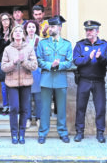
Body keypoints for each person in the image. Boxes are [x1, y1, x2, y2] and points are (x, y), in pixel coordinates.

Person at [36, 15, 73, 144]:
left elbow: (69, 62)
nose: (50, 29)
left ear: (59, 27)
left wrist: (59, 65)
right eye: (49, 26)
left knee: (61, 108)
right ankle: (42, 133)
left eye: (52, 26)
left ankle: (62, 132)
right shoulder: (42, 43)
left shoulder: (67, 44)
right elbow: (39, 60)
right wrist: (49, 65)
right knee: (45, 108)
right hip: (46, 79)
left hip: (61, 79)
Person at [73, 20, 107, 143]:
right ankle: (79, 132)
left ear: (97, 31)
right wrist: (89, 57)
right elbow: (76, 61)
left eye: (91, 30)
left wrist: (100, 58)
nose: (88, 32)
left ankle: (100, 133)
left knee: (100, 108)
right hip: (84, 80)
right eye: (87, 30)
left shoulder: (104, 45)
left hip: (99, 81)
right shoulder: (80, 45)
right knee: (80, 108)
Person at [1, 25, 38, 144]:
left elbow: (34, 66)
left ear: (23, 35)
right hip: (11, 83)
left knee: (24, 109)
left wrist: (23, 61)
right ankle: (14, 134)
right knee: (14, 108)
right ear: (12, 35)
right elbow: (3, 67)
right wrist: (14, 62)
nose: (18, 33)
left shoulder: (29, 48)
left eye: (20, 31)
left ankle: (21, 134)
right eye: (15, 31)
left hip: (26, 82)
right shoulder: (7, 49)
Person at [0, 12, 14, 115]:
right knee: (4, 86)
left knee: (13, 85)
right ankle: (5, 106)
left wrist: (7, 40)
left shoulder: (14, 32)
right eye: (3, 20)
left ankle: (13, 106)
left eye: (7, 19)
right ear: (0, 22)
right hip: (2, 61)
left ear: (10, 21)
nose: (5, 21)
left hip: (13, 61)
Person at [24, 20, 42, 128]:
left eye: (33, 27)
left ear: (36, 29)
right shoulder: (22, 41)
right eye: (29, 27)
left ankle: (39, 117)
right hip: (26, 71)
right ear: (26, 29)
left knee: (39, 97)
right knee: (27, 97)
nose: (31, 29)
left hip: (37, 71)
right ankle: (28, 118)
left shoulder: (41, 40)